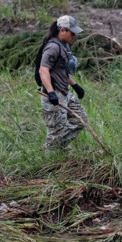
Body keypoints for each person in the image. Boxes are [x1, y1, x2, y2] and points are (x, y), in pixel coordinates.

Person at [37, 15, 88, 151]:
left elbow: (61, 71)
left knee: (80, 120)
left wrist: (75, 85)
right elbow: (43, 70)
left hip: (65, 92)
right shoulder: (52, 47)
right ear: (63, 30)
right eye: (72, 33)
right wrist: (51, 92)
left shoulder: (64, 46)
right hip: (53, 95)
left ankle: (55, 148)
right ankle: (50, 155)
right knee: (56, 131)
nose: (74, 36)